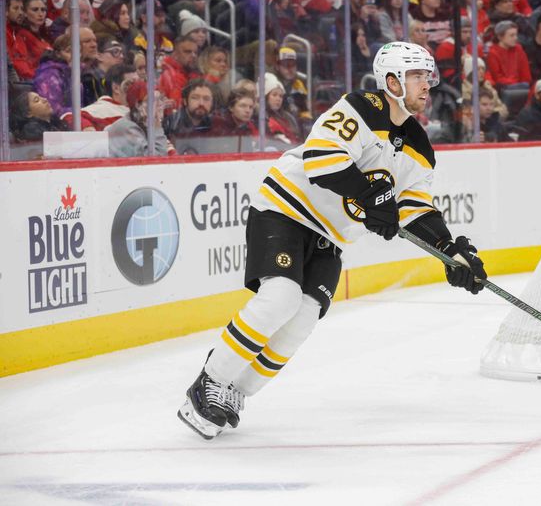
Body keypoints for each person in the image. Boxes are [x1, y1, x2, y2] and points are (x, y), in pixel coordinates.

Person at [177, 41, 488, 440]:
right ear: (391, 81)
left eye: (428, 77)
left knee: (303, 317)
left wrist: (450, 251)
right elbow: (322, 159)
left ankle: (236, 391)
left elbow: (415, 209)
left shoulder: (420, 149)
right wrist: (371, 196)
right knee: (281, 298)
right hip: (285, 208)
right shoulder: (360, 108)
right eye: (416, 77)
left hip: (330, 235)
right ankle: (209, 382)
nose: (426, 86)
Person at [106, 80, 173, 157]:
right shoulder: (128, 128)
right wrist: (156, 127)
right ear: (138, 105)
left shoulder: (143, 122)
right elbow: (155, 160)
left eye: (161, 99)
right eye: (154, 100)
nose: (160, 104)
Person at [64, 63, 139, 131]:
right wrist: (87, 127)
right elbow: (69, 116)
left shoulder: (143, 108)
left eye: (139, 83)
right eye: (131, 83)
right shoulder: (104, 108)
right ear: (116, 88)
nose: (138, 87)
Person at [163, 78, 216, 153]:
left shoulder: (215, 124)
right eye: (195, 98)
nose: (201, 103)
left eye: (206, 99)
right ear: (185, 101)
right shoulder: (171, 124)